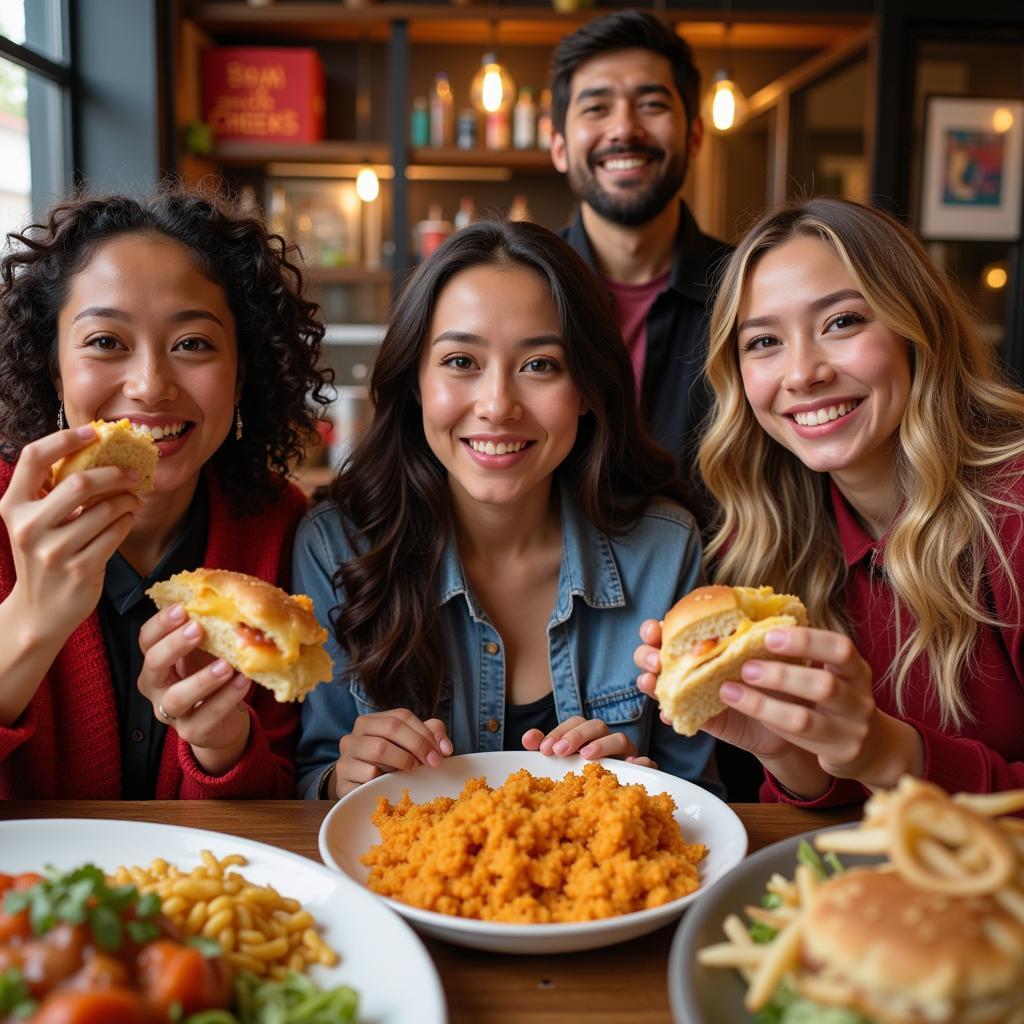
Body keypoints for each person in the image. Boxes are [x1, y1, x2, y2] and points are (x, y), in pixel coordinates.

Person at [294, 220, 720, 800]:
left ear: (589, 389)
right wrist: (340, 779)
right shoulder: (335, 545)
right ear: (415, 380)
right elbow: (312, 772)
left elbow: (702, 795)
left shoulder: (666, 549)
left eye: (540, 365)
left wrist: (647, 798)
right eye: (461, 361)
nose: (497, 406)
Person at [635, 195, 1024, 805]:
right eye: (764, 342)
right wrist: (785, 750)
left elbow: (882, 769)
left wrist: (890, 753)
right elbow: (833, 813)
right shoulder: (765, 540)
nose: (802, 373)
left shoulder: (1015, 514)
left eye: (841, 322)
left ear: (914, 327)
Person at [0, 186, 333, 798]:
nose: (151, 385)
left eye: (193, 344)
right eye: (105, 342)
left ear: (242, 370)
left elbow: (282, 802)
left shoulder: (283, 527)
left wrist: (221, 744)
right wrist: (30, 621)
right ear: (54, 368)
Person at [549, 9, 731, 523]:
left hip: (722, 590)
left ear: (694, 134)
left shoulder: (750, 290)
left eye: (651, 104)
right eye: (597, 108)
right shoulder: (523, 291)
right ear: (559, 145)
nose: (624, 129)